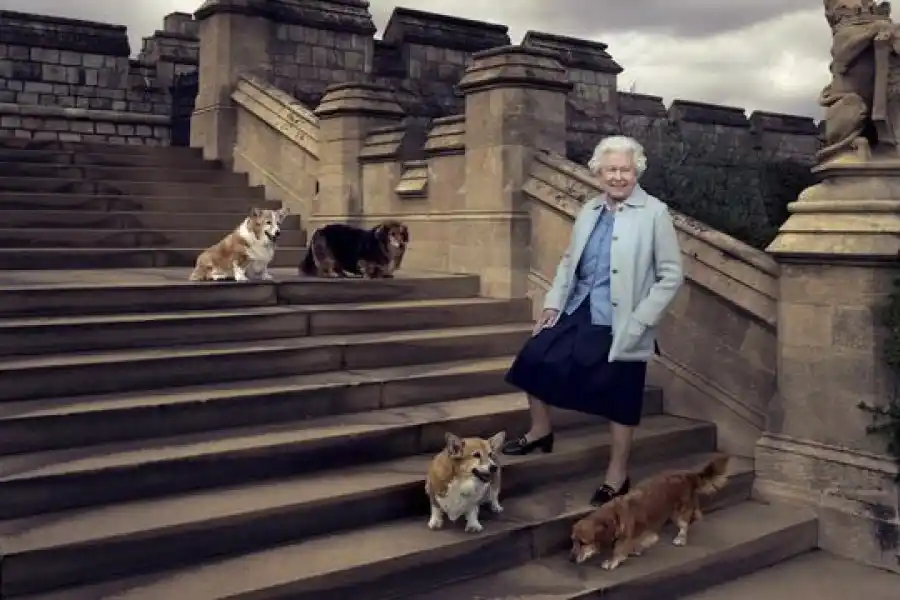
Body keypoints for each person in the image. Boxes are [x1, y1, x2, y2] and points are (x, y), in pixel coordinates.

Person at [501, 135, 684, 507]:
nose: (618, 177)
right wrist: (553, 304)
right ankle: (540, 431)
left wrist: (641, 320)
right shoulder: (589, 210)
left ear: (637, 172)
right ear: (598, 172)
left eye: (625, 170)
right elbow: (570, 261)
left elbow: (671, 274)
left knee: (621, 395)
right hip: (578, 306)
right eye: (611, 169)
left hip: (623, 320)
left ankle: (617, 475)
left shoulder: (655, 213)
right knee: (534, 358)